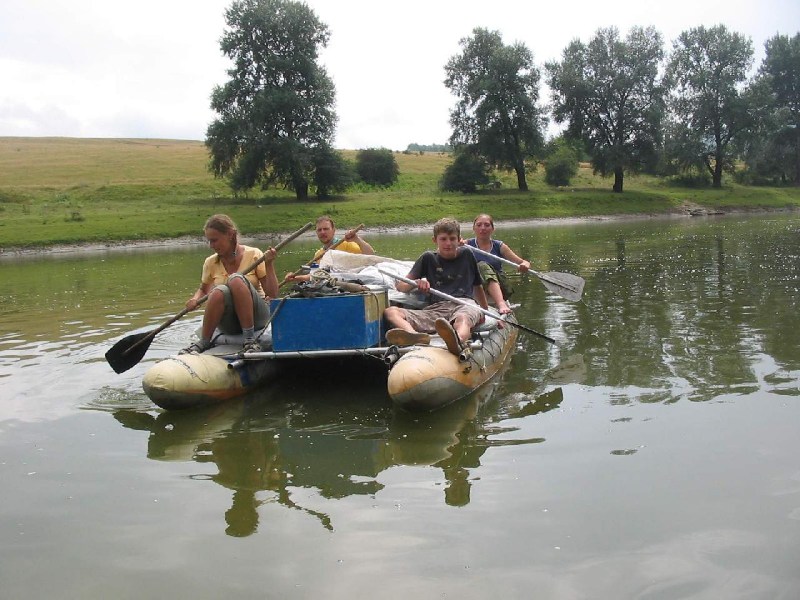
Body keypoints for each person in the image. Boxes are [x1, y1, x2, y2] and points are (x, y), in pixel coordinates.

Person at [383, 217, 489, 358]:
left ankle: (457, 340)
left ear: (459, 240)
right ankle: (415, 337)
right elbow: (401, 287)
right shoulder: (428, 258)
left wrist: (485, 311)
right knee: (391, 312)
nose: (448, 243)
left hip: (464, 304)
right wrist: (417, 283)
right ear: (435, 240)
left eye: (452, 239)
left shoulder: (467, 254)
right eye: (443, 239)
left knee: (463, 318)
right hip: (436, 309)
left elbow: (477, 285)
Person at [180, 214, 278, 355]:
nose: (211, 246)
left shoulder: (254, 254)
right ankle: (204, 341)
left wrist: (269, 263)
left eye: (214, 240)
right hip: (231, 323)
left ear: (230, 235)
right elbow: (204, 290)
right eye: (209, 241)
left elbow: (273, 294)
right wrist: (195, 300)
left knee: (236, 279)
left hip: (257, 317)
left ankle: (249, 340)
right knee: (218, 291)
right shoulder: (210, 262)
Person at [463, 213, 531, 313]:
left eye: (487, 225)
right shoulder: (466, 245)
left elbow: (523, 262)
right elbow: (443, 254)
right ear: (474, 228)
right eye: (479, 225)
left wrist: (525, 265)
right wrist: (456, 245)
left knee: (482, 266)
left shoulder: (499, 246)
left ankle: (501, 304)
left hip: (499, 286)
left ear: (492, 229)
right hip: (475, 288)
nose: (483, 228)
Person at [284, 215, 374, 284]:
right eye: (319, 230)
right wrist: (295, 278)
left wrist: (357, 239)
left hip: (351, 284)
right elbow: (315, 276)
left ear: (333, 230)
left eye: (326, 229)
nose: (322, 232)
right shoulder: (318, 254)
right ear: (316, 232)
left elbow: (371, 255)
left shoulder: (346, 244)